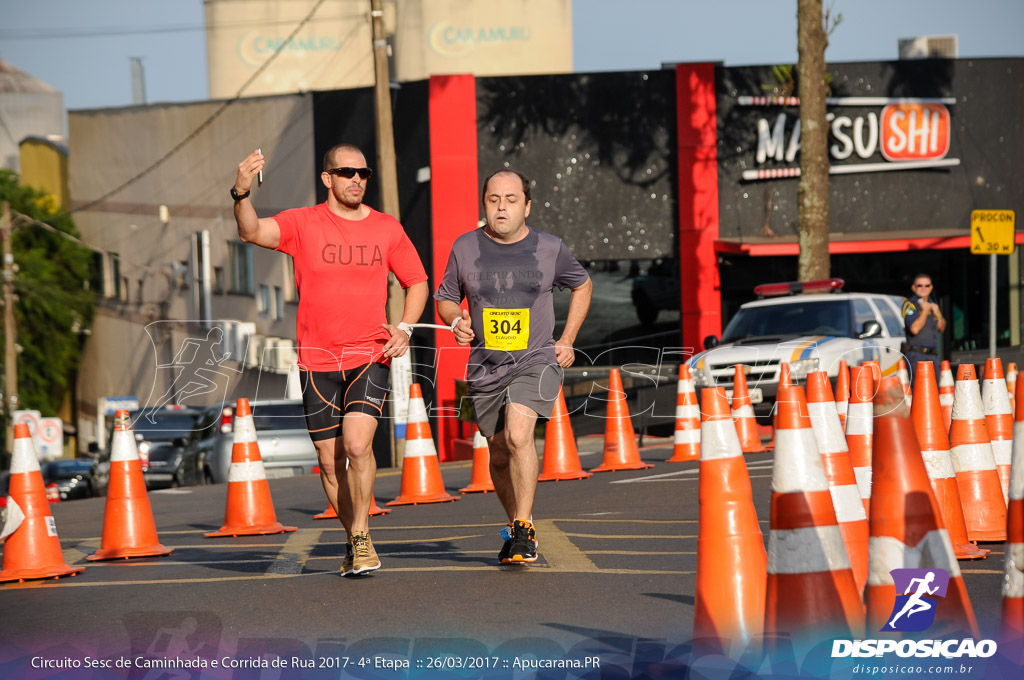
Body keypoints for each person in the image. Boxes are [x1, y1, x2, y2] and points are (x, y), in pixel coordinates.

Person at [232, 144, 428, 576]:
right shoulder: (303, 223)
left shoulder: (386, 228)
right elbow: (251, 233)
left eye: (363, 173)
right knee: (328, 459)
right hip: (316, 360)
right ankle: (353, 537)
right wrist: (241, 194)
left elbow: (416, 281)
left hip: (369, 353)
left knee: (358, 445)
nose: (356, 179)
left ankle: (361, 536)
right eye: (346, 172)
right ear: (328, 178)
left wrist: (405, 327)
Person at [434, 169, 593, 565]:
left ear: (527, 205)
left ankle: (523, 527)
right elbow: (446, 298)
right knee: (499, 451)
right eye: (493, 199)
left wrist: (568, 338)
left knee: (520, 434)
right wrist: (456, 320)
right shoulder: (464, 247)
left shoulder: (550, 248)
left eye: (510, 199)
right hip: (485, 367)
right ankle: (517, 529)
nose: (501, 207)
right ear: (484, 203)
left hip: (536, 360)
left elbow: (583, 284)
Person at [902, 273, 946, 379]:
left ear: (931, 287)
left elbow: (941, 328)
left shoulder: (932, 304)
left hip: (933, 355)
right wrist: (925, 310)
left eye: (927, 285)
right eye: (920, 285)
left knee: (934, 389)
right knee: (918, 390)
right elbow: (914, 329)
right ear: (913, 287)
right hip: (916, 354)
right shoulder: (910, 305)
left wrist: (938, 314)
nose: (923, 288)